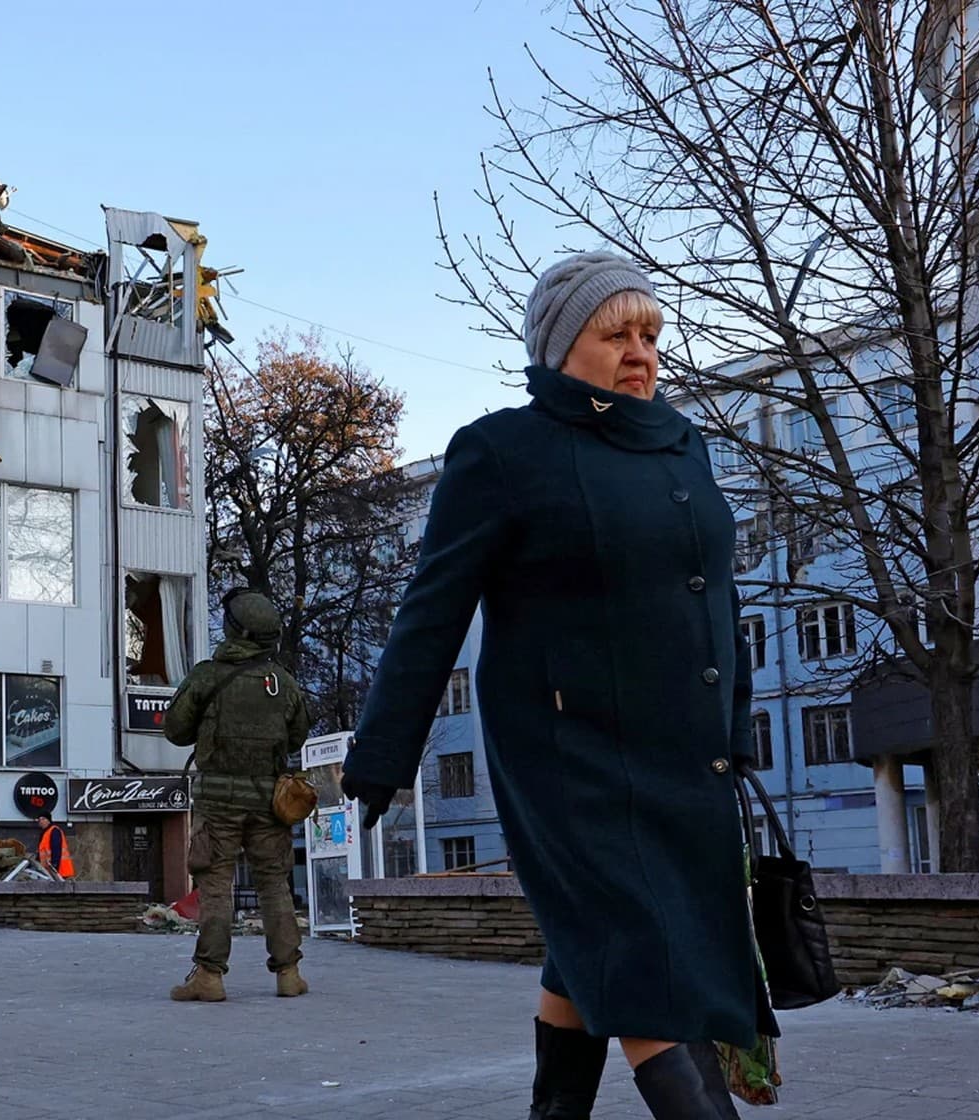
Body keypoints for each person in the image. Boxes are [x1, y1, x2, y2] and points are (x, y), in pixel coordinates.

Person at [342, 253, 774, 1120]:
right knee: (645, 963)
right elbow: (432, 610)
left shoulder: (682, 444)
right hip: (568, 759)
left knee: (595, 950)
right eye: (616, 334)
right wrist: (384, 752)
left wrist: (734, 729)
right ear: (558, 345)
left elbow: (716, 601)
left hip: (680, 757)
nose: (640, 352)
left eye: (650, 334)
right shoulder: (503, 451)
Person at [163, 588, 311, 1003]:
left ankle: (209, 976)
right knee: (274, 883)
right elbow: (298, 735)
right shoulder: (283, 682)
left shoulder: (207, 676)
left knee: (215, 885)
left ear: (233, 630)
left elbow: (176, 731)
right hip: (270, 801)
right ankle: (289, 973)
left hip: (218, 801)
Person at [34, 814, 74, 879]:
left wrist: (54, 868)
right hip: (50, 870)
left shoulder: (54, 831)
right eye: (39, 820)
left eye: (43, 819)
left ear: (49, 820)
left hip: (59, 869)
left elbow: (56, 850)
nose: (41, 821)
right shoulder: (45, 833)